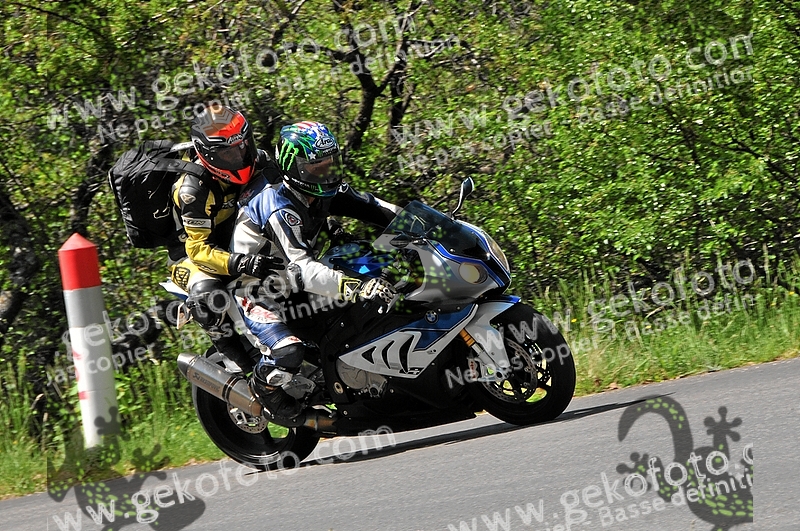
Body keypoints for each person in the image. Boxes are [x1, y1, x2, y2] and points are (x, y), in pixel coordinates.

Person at [230, 120, 401, 420]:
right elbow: (304, 270)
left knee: (379, 265)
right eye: (315, 168)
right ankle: (263, 389)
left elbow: (376, 207)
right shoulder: (277, 205)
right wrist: (357, 287)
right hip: (257, 291)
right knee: (288, 353)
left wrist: (433, 225)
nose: (325, 173)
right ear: (292, 168)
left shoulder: (325, 190)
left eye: (330, 164)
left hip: (295, 280)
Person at [167, 104, 283, 368]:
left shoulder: (260, 161)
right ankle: (238, 363)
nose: (239, 156)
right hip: (190, 256)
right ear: (209, 155)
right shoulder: (192, 189)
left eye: (242, 146)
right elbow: (197, 250)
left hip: (238, 241)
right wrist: (240, 262)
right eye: (228, 153)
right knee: (209, 296)